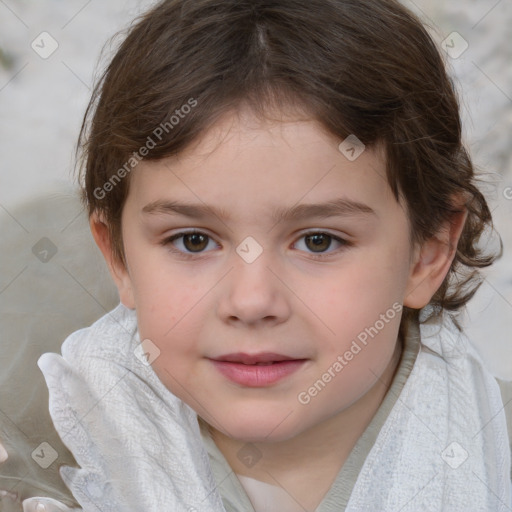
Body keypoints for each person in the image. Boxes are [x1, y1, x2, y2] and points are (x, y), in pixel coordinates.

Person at [2, 0, 511, 510]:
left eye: (318, 241)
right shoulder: (39, 465)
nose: (251, 301)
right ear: (118, 258)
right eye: (193, 241)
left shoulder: (492, 451)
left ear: (428, 252)